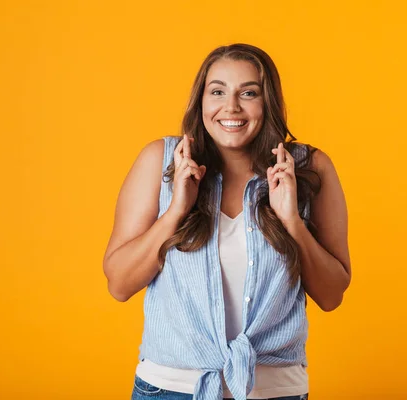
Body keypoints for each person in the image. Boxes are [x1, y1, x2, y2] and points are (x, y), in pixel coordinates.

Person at [102, 43, 351, 400]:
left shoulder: (309, 169)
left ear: (269, 103)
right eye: (217, 91)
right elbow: (119, 285)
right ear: (200, 101)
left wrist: (292, 221)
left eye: (248, 93)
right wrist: (175, 211)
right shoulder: (161, 162)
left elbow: (331, 295)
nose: (231, 107)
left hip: (274, 392)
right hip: (170, 389)